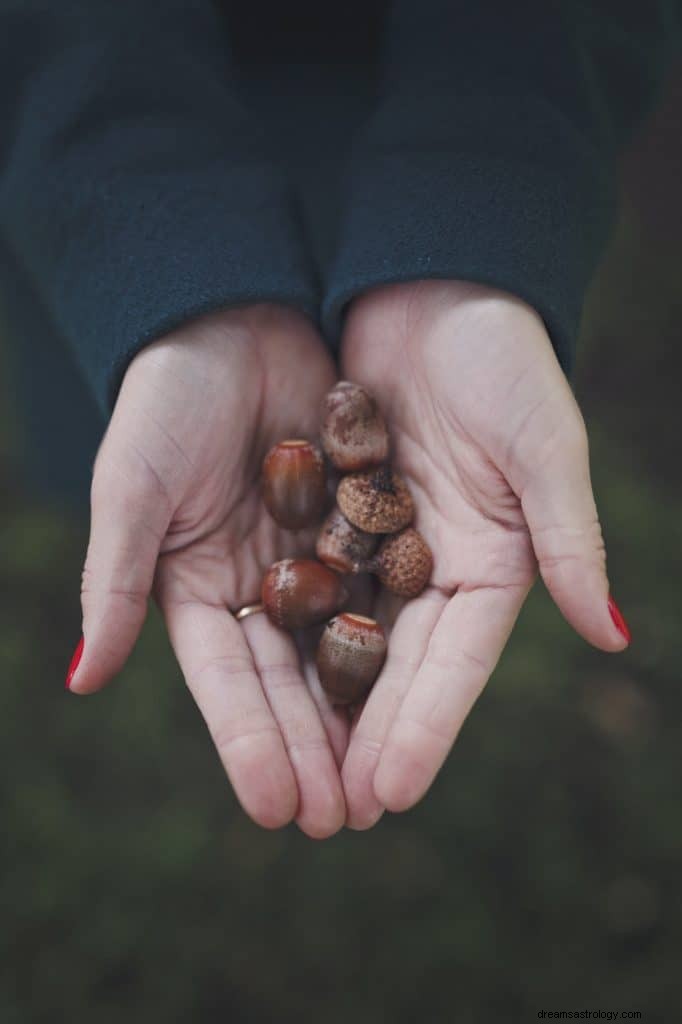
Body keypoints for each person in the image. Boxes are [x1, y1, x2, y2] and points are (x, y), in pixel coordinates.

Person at [0, 2, 673, 837]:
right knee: (115, 442)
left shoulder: (363, 509)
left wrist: (479, 238)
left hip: (437, 138)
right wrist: (154, 270)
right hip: (137, 221)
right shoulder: (332, 499)